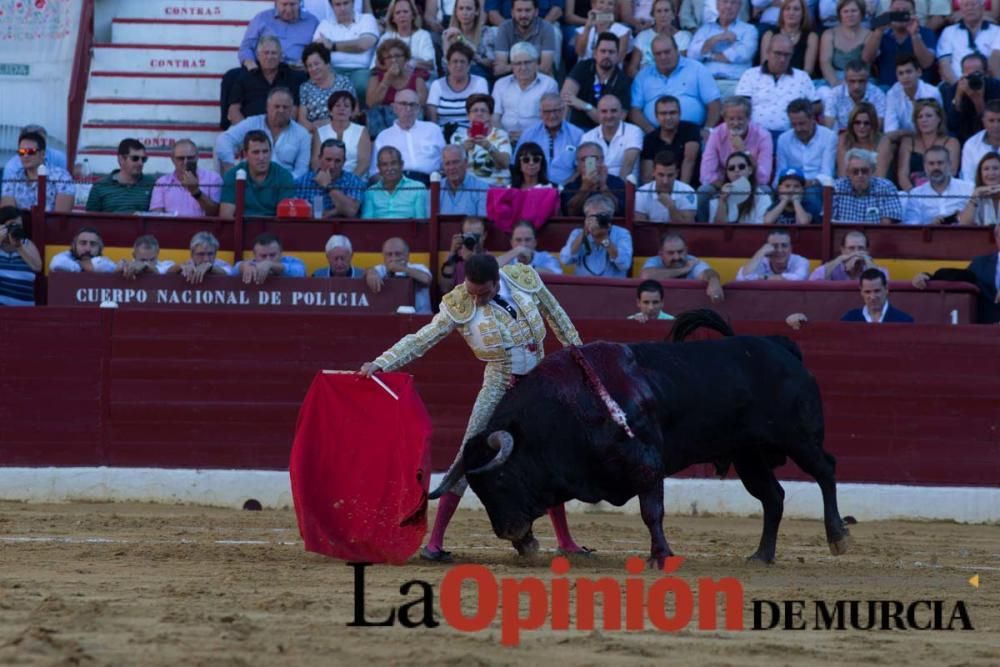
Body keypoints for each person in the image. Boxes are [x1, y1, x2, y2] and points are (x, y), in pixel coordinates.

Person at [360, 253, 587, 562]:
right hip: (499, 383)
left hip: (538, 382)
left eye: (483, 293)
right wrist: (382, 362)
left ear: (497, 281)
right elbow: (421, 339)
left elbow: (557, 315)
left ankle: (566, 541)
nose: (476, 299)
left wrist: (580, 354)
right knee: (469, 456)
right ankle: (435, 543)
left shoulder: (522, 278)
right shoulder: (459, 304)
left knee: (547, 458)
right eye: (472, 292)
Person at [697, 96, 772, 220]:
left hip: (752, 185)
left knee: (766, 190)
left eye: (740, 118)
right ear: (724, 119)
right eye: (731, 119)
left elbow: (763, 178)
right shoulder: (716, 134)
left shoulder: (763, 136)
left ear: (748, 118)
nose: (735, 123)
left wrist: (744, 151)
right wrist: (729, 188)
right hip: (723, 183)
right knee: (704, 191)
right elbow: (706, 175)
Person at [912, 222, 1000, 323]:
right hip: (986, 330)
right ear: (996, 238)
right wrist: (927, 277)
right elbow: (959, 277)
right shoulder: (980, 263)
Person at [629, 34, 721, 131]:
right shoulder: (643, 76)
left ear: (677, 50)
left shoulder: (697, 69)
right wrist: (650, 131)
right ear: (653, 55)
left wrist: (708, 130)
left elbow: (714, 103)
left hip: (692, 133)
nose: (663, 57)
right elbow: (634, 110)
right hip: (654, 133)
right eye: (658, 54)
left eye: (667, 52)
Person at [217, 88, 311, 179]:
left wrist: (283, 182)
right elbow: (224, 139)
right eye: (277, 106)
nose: (281, 110)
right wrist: (229, 165)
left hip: (283, 186)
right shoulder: (252, 123)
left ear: (291, 109)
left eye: (285, 107)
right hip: (251, 182)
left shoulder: (302, 134)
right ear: (267, 107)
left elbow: (301, 171)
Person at [733, 34, 818, 136]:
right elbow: (741, 105)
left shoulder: (802, 77)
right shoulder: (750, 74)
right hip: (755, 134)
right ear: (768, 52)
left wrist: (799, 113)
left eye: (787, 55)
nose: (782, 59)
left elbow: (817, 104)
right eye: (777, 53)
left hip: (791, 134)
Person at [787, 268, 914, 328]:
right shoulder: (849, 319)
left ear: (886, 290)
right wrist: (803, 322)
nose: (872, 297)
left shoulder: (905, 321)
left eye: (877, 291)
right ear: (861, 292)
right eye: (868, 292)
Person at [775, 97, 836, 218]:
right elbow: (781, 171)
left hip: (816, 185)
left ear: (813, 119)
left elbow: (827, 173)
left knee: (811, 194)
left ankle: (815, 232)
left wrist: (806, 183)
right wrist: (784, 187)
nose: (798, 128)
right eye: (794, 124)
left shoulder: (829, 136)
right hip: (790, 184)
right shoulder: (783, 139)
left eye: (802, 123)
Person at [561, 31, 633, 131]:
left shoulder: (623, 81)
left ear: (617, 56)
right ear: (595, 53)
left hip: (604, 132)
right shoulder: (583, 67)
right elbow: (565, 98)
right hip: (575, 128)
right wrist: (564, 130)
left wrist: (585, 106)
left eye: (611, 52)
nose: (607, 55)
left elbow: (618, 121)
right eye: (603, 51)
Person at [228, 36, 307, 126]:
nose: (269, 57)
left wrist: (279, 131)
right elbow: (234, 109)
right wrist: (246, 132)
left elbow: (294, 109)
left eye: (274, 53)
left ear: (281, 56)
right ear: (258, 55)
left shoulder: (291, 76)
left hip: (282, 129)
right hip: (249, 131)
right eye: (266, 53)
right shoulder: (245, 77)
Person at [370, 89, 447, 180]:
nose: (408, 109)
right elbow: (375, 172)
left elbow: (446, 163)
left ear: (418, 109)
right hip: (397, 186)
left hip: (431, 183)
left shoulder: (433, 130)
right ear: (394, 108)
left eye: (412, 105)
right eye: (403, 104)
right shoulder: (384, 137)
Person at [686, 0, 757, 96]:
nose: (728, 6)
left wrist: (708, 54)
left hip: (736, 83)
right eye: (725, 2)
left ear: (739, 6)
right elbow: (691, 56)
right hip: (707, 82)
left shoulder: (749, 30)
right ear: (717, 5)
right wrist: (715, 39)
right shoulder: (704, 30)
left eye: (733, 3)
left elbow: (742, 54)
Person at [312, 0, 379, 102]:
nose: (342, 8)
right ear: (332, 6)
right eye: (338, 4)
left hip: (360, 69)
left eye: (346, 3)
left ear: (353, 3)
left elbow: (364, 44)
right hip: (333, 69)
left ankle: (359, 115)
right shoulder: (324, 25)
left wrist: (332, 45)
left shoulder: (367, 19)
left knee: (361, 86)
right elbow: (317, 49)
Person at [219, 131, 297, 218]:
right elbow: (226, 217)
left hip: (274, 229)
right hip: (242, 229)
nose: (261, 157)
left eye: (265, 151)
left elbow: (285, 218)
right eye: (256, 152)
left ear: (271, 152)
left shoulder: (284, 176)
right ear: (245, 154)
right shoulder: (232, 175)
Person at [491, 42, 559, 142]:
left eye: (527, 62)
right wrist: (503, 136)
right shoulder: (500, 84)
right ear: (512, 66)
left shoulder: (549, 84)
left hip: (537, 138)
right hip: (505, 139)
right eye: (518, 63)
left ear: (536, 63)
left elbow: (551, 118)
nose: (523, 68)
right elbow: (495, 117)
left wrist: (528, 135)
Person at [861, 0, 937, 88]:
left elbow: (926, 63)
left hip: (918, 88)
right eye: (896, 12)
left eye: (905, 11)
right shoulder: (882, 34)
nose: (900, 14)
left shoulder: (926, 33)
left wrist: (914, 35)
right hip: (887, 88)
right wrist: (879, 30)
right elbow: (866, 59)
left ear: (913, 14)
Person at [365, 40, 429, 138]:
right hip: (383, 128)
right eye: (389, 57)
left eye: (397, 56)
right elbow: (371, 103)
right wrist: (386, 81)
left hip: (410, 123)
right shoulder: (376, 78)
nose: (394, 60)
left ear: (406, 59)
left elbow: (421, 105)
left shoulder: (417, 78)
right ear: (383, 62)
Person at [559, 193, 633, 277]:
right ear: (586, 217)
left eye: (601, 216)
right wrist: (583, 234)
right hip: (583, 286)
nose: (596, 220)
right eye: (593, 216)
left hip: (612, 287)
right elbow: (565, 260)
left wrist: (605, 239)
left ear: (611, 216)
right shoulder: (577, 233)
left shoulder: (622, 233)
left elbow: (624, 265)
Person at [639, 231, 725, 302]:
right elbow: (647, 276)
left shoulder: (692, 261)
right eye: (671, 253)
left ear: (686, 250)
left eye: (680, 252)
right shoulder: (654, 261)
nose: (676, 257)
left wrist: (713, 280)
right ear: (661, 254)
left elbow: (707, 272)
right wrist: (684, 269)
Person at [0, 131, 74, 212]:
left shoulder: (61, 177)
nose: (25, 156)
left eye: (31, 151)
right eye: (22, 152)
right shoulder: (13, 178)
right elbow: (8, 215)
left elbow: (61, 217)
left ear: (42, 154)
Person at [518, 95, 583, 186]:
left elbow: (581, 169)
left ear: (563, 110)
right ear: (540, 113)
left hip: (567, 189)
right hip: (535, 190)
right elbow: (517, 165)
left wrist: (563, 187)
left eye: (556, 110)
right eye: (547, 112)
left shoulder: (577, 135)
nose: (552, 116)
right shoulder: (529, 134)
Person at [450, 94, 513, 185]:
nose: (479, 114)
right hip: (469, 188)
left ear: (490, 115)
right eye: (475, 110)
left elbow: (505, 163)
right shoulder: (458, 137)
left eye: (483, 111)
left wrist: (489, 147)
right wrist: (462, 150)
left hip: (495, 187)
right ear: (468, 115)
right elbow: (450, 167)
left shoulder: (501, 135)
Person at [639, 95, 701, 186]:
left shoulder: (690, 129)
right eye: (663, 113)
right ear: (656, 116)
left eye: (672, 113)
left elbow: (689, 160)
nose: (668, 117)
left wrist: (681, 192)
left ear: (680, 114)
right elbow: (647, 175)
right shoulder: (649, 139)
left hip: (690, 188)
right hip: (660, 189)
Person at [150, 139, 222, 217]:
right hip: (171, 227)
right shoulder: (162, 182)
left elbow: (216, 213)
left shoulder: (213, 179)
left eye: (190, 158)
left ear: (197, 157)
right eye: (181, 158)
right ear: (173, 159)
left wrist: (195, 191)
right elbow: (156, 216)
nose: (185, 162)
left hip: (203, 228)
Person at [238, 0, 319, 69]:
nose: (288, 9)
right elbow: (246, 47)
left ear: (300, 3)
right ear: (276, 3)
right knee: (232, 76)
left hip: (296, 73)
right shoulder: (262, 18)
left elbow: (317, 52)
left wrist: (307, 64)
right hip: (264, 71)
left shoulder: (312, 22)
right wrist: (250, 63)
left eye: (292, 4)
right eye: (284, 4)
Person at [579, 95, 644, 181]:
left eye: (613, 111)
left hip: (624, 187)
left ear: (621, 112)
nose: (609, 116)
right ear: (598, 114)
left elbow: (628, 164)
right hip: (597, 187)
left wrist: (617, 190)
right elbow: (589, 170)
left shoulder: (634, 131)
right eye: (604, 111)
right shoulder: (587, 137)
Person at [903, 146, 974, 224]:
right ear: (925, 166)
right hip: (929, 235)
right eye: (931, 164)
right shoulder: (916, 194)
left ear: (949, 164)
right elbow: (911, 225)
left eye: (940, 163)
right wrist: (930, 225)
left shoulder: (969, 189)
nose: (936, 167)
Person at [296, 138, 366, 217]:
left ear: (344, 162)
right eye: (328, 160)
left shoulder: (353, 181)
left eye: (337, 161)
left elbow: (351, 211)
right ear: (320, 158)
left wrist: (329, 186)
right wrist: (335, 211)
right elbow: (295, 211)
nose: (332, 166)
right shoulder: (303, 181)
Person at [832, 148, 904, 224]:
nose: (860, 175)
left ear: (872, 170)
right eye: (855, 171)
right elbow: (828, 220)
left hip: (876, 234)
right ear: (847, 173)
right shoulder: (837, 187)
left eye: (864, 171)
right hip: (843, 234)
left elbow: (886, 225)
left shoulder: (886, 187)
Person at [937, 0, 1000, 85]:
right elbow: (944, 65)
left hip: (987, 83)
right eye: (966, 5)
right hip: (954, 84)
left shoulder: (997, 31)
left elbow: (995, 61)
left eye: (974, 4)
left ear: (983, 8)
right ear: (960, 10)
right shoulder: (948, 32)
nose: (970, 8)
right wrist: (959, 86)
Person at [427, 42, 490, 127]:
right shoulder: (437, 85)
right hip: (442, 135)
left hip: (470, 135)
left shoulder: (480, 83)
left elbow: (483, 115)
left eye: (462, 61)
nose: (459, 65)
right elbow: (432, 121)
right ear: (448, 65)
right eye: (455, 61)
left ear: (469, 65)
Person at [296, 42, 354, 133]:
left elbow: (354, 112)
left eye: (316, 64)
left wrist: (329, 124)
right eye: (309, 66)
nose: (313, 68)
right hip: (314, 133)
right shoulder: (305, 88)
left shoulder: (343, 82)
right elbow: (302, 120)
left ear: (327, 63)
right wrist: (314, 128)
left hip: (341, 130)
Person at [85, 139, 156, 213]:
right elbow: (90, 220)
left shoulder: (152, 184)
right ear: (121, 159)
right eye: (135, 158)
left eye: (143, 159)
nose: (140, 163)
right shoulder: (100, 186)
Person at [365, 236, 433, 313]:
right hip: (389, 319)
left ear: (407, 255)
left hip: (421, 319)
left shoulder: (418, 267)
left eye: (398, 254)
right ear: (383, 256)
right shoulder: (381, 269)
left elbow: (427, 279)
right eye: (389, 254)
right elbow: (369, 271)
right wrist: (371, 273)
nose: (394, 258)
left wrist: (401, 269)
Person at [942, 53, 1000, 143]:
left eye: (977, 73)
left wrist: (978, 100)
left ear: (985, 73)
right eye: (968, 74)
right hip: (963, 137)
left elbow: (992, 124)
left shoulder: (996, 87)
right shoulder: (954, 89)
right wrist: (958, 96)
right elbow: (951, 124)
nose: (973, 77)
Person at [313, 90, 371, 178]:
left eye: (346, 106)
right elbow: (315, 161)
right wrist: (325, 178)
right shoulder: (320, 132)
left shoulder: (362, 131)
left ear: (351, 112)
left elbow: (364, 161)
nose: (342, 109)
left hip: (354, 180)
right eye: (337, 105)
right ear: (330, 111)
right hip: (325, 179)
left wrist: (350, 181)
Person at [627, 0, 692, 77]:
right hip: (646, 81)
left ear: (673, 15)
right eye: (659, 11)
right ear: (653, 15)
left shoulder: (683, 37)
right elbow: (632, 69)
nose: (663, 15)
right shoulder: (642, 36)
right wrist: (643, 81)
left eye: (666, 10)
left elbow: (682, 66)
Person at [493, 0, 558, 77]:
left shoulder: (546, 28)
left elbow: (545, 68)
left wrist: (511, 66)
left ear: (536, 12)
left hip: (539, 78)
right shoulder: (504, 28)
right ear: (512, 12)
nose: (523, 15)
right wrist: (532, 66)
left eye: (528, 10)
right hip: (511, 78)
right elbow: (500, 68)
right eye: (519, 10)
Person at [884, 54, 943, 139]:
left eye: (908, 72)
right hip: (902, 140)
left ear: (919, 72)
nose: (905, 77)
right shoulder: (892, 94)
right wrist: (906, 134)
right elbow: (890, 132)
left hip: (929, 137)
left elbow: (938, 126)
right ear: (897, 76)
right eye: (901, 73)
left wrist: (904, 133)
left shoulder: (932, 93)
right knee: (887, 143)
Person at [820, 59, 887, 133]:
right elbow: (828, 125)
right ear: (845, 80)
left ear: (868, 79)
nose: (856, 86)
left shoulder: (878, 95)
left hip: (868, 137)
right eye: (852, 81)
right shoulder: (834, 94)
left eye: (861, 81)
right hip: (842, 137)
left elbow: (878, 126)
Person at [560, 142, 627, 215]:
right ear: (578, 163)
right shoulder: (570, 186)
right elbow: (569, 213)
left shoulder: (617, 182)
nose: (589, 163)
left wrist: (603, 186)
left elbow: (620, 210)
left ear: (602, 160)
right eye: (584, 159)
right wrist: (585, 188)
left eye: (594, 158)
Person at [362, 146, 430, 218]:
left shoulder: (418, 188)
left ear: (401, 165)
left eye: (393, 163)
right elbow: (367, 224)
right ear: (379, 168)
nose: (390, 168)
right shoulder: (371, 192)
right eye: (385, 164)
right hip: (379, 229)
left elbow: (421, 223)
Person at [818, 0, 870, 88]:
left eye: (854, 11)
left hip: (861, 80)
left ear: (861, 13)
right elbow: (825, 62)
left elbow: (868, 64)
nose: (850, 15)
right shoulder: (829, 34)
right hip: (834, 79)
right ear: (840, 15)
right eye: (845, 11)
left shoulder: (869, 35)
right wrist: (835, 82)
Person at [758, 0, 818, 76]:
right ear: (782, 12)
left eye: (796, 9)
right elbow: (765, 66)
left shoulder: (811, 37)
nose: (791, 13)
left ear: (803, 13)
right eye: (787, 9)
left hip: (799, 81)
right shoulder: (769, 35)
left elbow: (808, 70)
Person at [710, 152, 773, 224]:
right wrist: (722, 201)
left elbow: (760, 230)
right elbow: (717, 230)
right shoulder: (717, 200)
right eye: (731, 168)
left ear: (750, 170)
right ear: (727, 173)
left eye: (741, 166)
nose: (736, 170)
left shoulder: (763, 198)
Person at [375, 0, 436, 74]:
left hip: (417, 79)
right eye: (398, 13)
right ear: (393, 18)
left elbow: (430, 64)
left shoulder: (423, 35)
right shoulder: (386, 37)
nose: (402, 15)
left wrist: (410, 63)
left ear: (413, 15)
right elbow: (376, 63)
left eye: (405, 11)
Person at [634, 150, 696, 222]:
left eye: (670, 175)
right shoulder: (641, 194)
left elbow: (688, 229)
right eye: (661, 175)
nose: (665, 181)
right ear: (653, 172)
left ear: (676, 173)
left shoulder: (688, 192)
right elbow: (641, 228)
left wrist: (671, 207)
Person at [442, 0, 497, 80]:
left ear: (477, 11)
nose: (464, 13)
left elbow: (491, 63)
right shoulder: (449, 34)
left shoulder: (486, 32)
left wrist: (461, 39)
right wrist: (446, 43)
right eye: (461, 9)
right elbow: (445, 68)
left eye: (468, 9)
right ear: (456, 12)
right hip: (455, 76)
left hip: (480, 76)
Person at [0, 207, 42, 306]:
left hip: (24, 314)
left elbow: (37, 267)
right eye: (11, 225)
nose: (15, 228)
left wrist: (19, 246)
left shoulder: (27, 244)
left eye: (18, 226)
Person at [808, 229, 884, 280]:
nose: (856, 252)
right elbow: (814, 279)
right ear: (843, 250)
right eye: (851, 248)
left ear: (867, 251)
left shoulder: (877, 269)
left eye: (861, 248)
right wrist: (839, 259)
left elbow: (882, 284)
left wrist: (868, 261)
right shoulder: (834, 268)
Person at [735, 228, 810, 280]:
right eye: (774, 246)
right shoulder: (761, 261)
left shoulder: (801, 261)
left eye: (784, 245)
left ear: (790, 248)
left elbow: (798, 278)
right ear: (767, 248)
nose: (779, 250)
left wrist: (764, 278)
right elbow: (742, 277)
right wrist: (760, 252)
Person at [233, 233, 307, 284]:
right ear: (255, 255)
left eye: (272, 255)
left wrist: (271, 265)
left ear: (281, 253)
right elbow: (232, 270)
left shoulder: (292, 261)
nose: (268, 259)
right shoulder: (251, 264)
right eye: (263, 256)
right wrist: (243, 267)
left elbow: (300, 272)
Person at [440, 216, 489, 290]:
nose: (472, 239)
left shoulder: (490, 260)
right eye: (468, 235)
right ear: (462, 236)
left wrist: (473, 260)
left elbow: (482, 291)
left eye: (476, 236)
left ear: (484, 236)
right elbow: (445, 288)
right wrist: (452, 252)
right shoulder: (456, 258)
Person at [496, 219, 563, 273]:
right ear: (511, 243)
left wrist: (529, 266)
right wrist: (515, 252)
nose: (523, 245)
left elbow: (558, 276)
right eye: (518, 240)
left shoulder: (546, 258)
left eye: (527, 240)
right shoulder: (507, 259)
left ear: (535, 242)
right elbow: (492, 269)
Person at [439, 145, 489, 216]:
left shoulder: (481, 188)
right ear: (443, 166)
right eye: (447, 163)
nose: (451, 167)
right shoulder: (436, 188)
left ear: (465, 163)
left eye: (455, 162)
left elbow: (483, 223)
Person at [837, 102, 883, 178]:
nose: (862, 126)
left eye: (866, 123)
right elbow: (842, 174)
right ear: (851, 123)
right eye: (857, 122)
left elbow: (880, 176)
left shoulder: (882, 141)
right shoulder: (844, 139)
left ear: (873, 124)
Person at [168, 232, 233, 284]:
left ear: (215, 253)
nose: (206, 259)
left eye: (210, 254)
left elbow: (229, 273)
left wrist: (210, 268)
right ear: (192, 254)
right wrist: (180, 267)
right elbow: (165, 272)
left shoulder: (222, 265)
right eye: (201, 254)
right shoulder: (188, 265)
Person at [960, 100, 1000, 181]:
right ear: (983, 121)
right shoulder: (971, 144)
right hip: (979, 192)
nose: (996, 125)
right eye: (991, 121)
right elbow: (967, 179)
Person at [958, 151, 1000, 225]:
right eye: (986, 169)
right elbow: (963, 224)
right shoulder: (974, 193)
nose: (991, 173)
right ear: (980, 173)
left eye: (995, 168)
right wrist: (976, 194)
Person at [49, 228, 117, 273]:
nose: (87, 249)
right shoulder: (66, 256)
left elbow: (109, 267)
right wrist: (83, 265)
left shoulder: (104, 260)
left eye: (93, 244)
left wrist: (81, 264)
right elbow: (56, 263)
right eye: (83, 243)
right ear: (73, 246)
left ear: (100, 248)